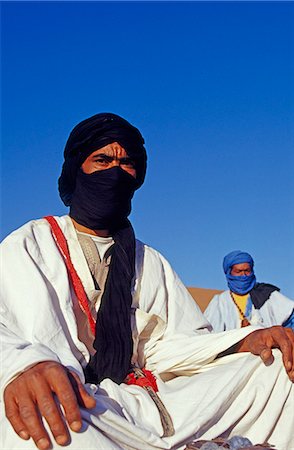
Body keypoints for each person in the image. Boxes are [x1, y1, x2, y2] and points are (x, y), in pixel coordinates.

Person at [1, 113, 294, 450]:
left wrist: (244, 341)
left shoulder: (148, 259)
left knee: (278, 371)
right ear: (75, 170)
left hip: (152, 402)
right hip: (81, 401)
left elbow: (172, 345)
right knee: (41, 417)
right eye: (102, 160)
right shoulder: (31, 244)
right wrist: (25, 365)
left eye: (126, 163)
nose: (115, 171)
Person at [204, 250, 294, 332]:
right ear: (229, 272)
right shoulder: (219, 302)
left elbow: (290, 316)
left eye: (247, 271)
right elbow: (208, 333)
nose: (244, 275)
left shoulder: (267, 294)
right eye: (238, 271)